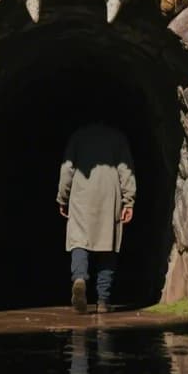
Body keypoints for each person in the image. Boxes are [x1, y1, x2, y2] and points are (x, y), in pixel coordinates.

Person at [56, 121, 136, 314]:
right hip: (109, 195)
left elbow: (67, 170)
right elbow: (126, 170)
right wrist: (128, 200)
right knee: (108, 246)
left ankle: (80, 278)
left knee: (79, 241)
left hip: (81, 195)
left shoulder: (77, 137)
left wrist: (62, 197)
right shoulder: (118, 138)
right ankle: (103, 300)